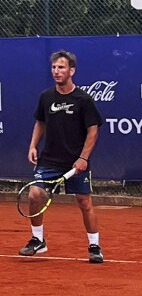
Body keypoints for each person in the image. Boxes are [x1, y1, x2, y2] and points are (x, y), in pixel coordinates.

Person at [19, 50, 105, 264]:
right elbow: (40, 123)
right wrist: (32, 146)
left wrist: (83, 158)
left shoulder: (83, 99)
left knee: (84, 202)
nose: (57, 72)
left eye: (61, 67)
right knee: (34, 195)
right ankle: (38, 240)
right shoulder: (46, 97)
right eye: (54, 68)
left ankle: (94, 246)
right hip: (49, 160)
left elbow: (93, 130)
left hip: (76, 161)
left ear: (71, 71)